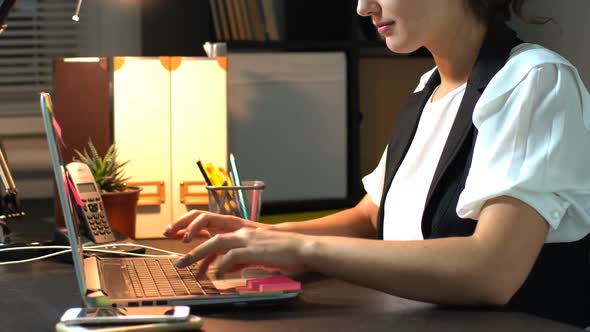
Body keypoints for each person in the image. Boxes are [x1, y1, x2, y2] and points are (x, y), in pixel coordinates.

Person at [164, 0, 590, 327]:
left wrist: (304, 248)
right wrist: (261, 236)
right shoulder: (429, 89)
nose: (362, 8)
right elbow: (372, 215)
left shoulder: (534, 80)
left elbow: (492, 270)